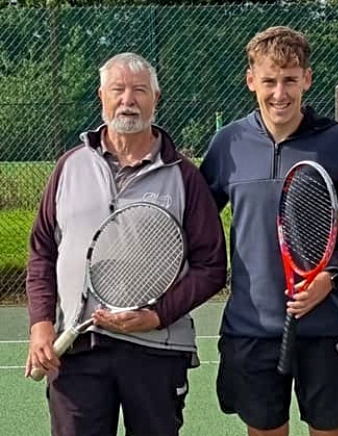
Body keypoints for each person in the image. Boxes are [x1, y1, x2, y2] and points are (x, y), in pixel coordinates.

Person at [25, 52, 228, 436]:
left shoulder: (184, 177)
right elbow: (42, 252)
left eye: (139, 90)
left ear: (156, 97)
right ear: (101, 96)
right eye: (118, 90)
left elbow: (212, 266)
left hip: (156, 350)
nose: (128, 100)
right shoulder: (69, 167)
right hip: (77, 350)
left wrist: (157, 315)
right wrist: (40, 325)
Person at [199, 26, 338, 436]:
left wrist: (331, 278)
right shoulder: (227, 144)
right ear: (251, 81)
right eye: (269, 81)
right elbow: (199, 224)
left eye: (289, 80)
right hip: (251, 328)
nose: (279, 93)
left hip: (327, 327)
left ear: (307, 80)